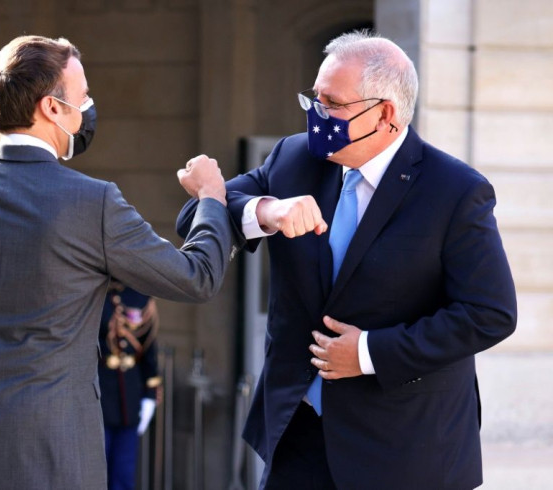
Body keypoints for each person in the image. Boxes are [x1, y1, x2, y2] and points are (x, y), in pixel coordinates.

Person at [0, 35, 234, 489]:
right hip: (55, 463)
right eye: (82, 98)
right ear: (52, 108)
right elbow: (197, 277)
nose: (88, 109)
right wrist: (213, 198)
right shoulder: (94, 202)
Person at [177, 30, 516, 489]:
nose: (318, 115)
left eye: (333, 104)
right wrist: (268, 211)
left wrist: (368, 352)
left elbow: (489, 313)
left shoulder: (455, 191)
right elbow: (197, 214)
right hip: (298, 435)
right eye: (314, 99)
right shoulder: (296, 157)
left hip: (405, 449)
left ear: (386, 115)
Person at [98, 280, 160, 490]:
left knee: (124, 475)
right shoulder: (93, 293)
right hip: (98, 396)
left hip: (129, 398)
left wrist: (150, 394)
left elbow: (148, 350)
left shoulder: (139, 295)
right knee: (95, 474)